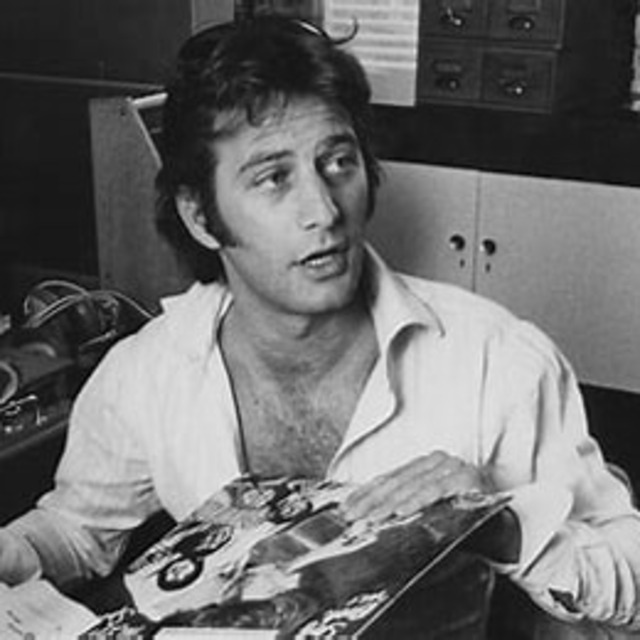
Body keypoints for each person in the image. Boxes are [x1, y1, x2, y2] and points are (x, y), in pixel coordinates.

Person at [1, 14, 639, 630]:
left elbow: (631, 582)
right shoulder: (147, 373)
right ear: (199, 217)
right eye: (273, 178)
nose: (324, 210)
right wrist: (15, 551)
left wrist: (502, 525)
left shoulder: (496, 361)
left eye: (338, 162)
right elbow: (77, 531)